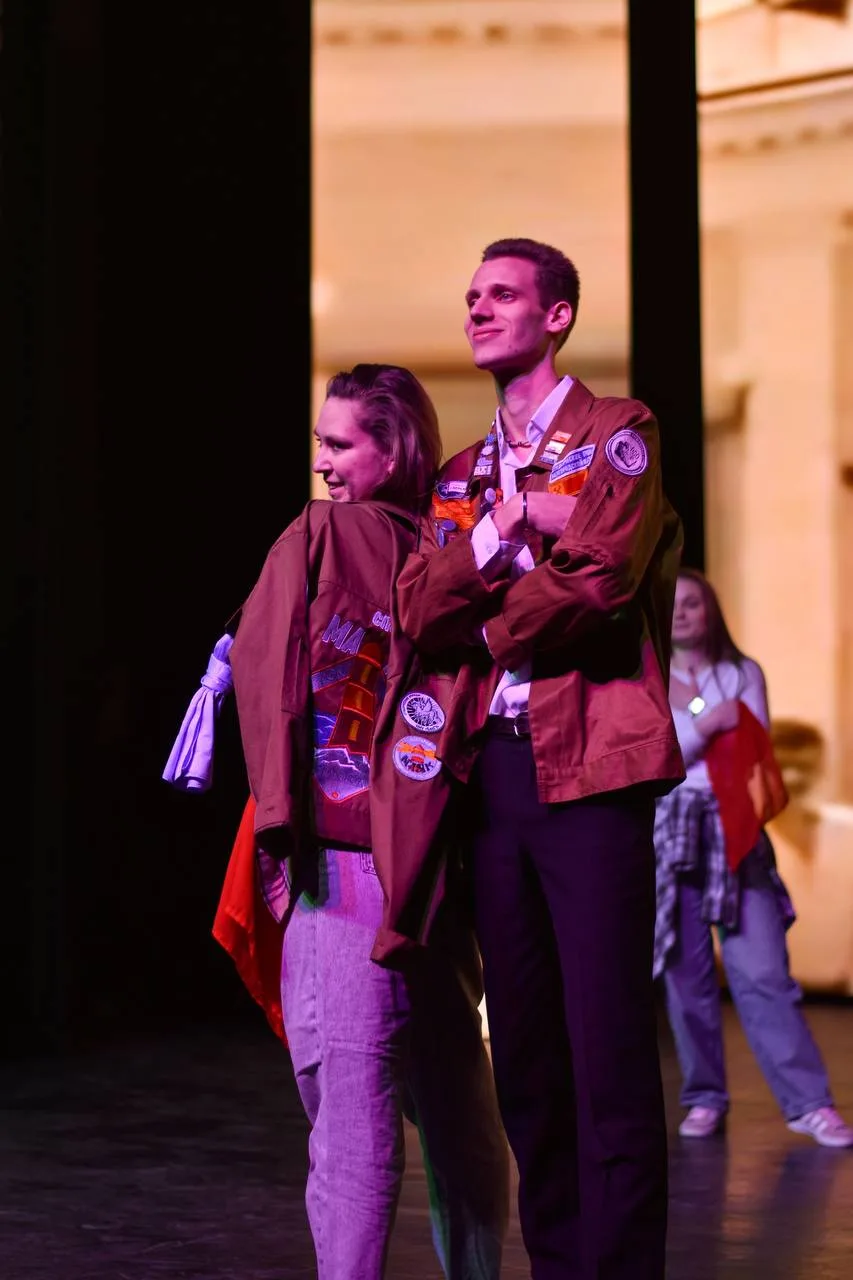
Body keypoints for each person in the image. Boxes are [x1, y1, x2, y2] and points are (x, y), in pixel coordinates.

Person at [165, 363, 509, 1279]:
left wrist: (280, 830)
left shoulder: (319, 534)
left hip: (347, 858)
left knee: (351, 1113)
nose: (322, 462)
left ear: (390, 450)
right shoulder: (452, 547)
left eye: (337, 443)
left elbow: (271, 675)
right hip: (436, 862)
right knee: (457, 1108)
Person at [396, 237, 686, 1280]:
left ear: (556, 315)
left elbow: (603, 579)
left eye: (503, 295)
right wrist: (510, 529)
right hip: (493, 774)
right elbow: (416, 605)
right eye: (472, 295)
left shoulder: (618, 431)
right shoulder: (463, 476)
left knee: (606, 1042)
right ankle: (559, 1263)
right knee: (520, 1046)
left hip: (593, 767)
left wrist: (485, 623)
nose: (478, 309)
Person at [654, 566, 853, 1149]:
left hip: (734, 828)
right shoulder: (649, 677)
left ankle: (809, 1104)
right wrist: (709, 720)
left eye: (693, 602)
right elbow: (661, 757)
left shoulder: (742, 672)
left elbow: (753, 745)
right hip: (671, 831)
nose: (682, 612)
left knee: (764, 972)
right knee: (685, 977)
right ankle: (704, 1097)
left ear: (711, 611)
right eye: (673, 603)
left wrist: (699, 723)